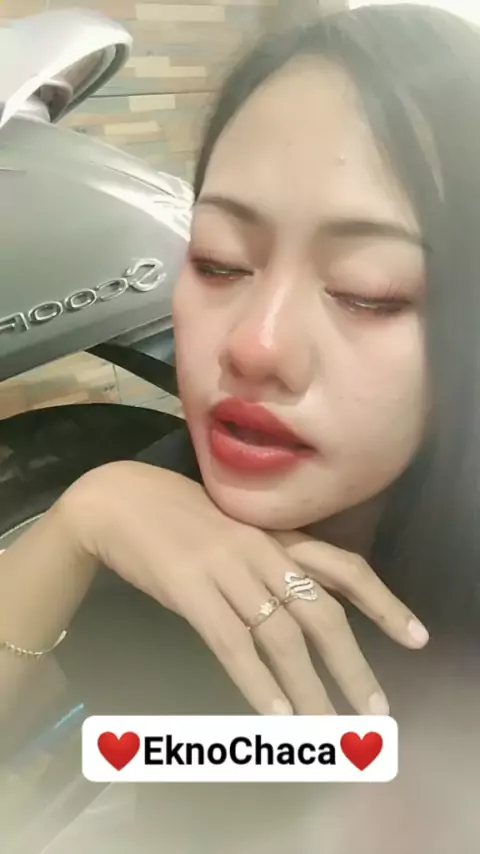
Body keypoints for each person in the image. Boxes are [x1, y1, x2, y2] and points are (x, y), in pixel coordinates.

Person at [1, 1, 479, 724]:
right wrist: (75, 527)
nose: (254, 346)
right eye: (219, 260)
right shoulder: (151, 518)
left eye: (368, 291)